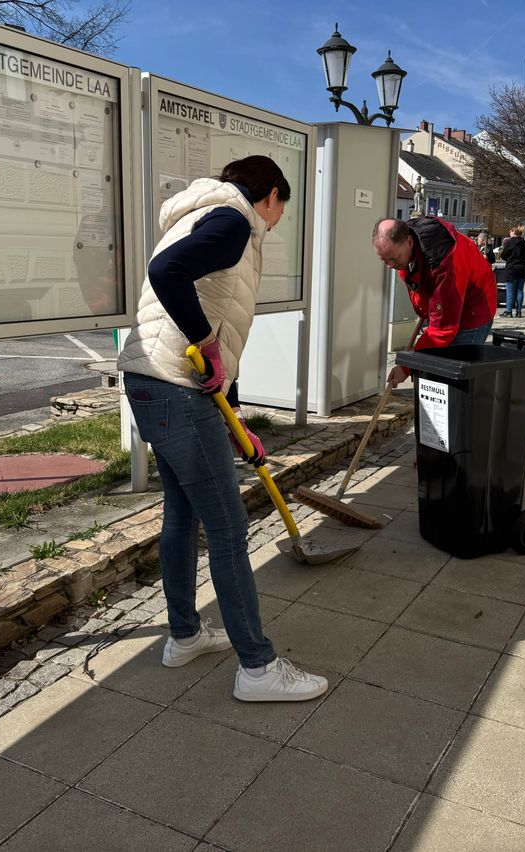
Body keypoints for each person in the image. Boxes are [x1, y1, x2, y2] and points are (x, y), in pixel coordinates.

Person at [117, 156, 327, 702]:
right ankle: (257, 668)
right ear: (272, 196)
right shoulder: (234, 221)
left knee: (182, 515)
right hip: (175, 385)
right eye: (282, 207)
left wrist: (233, 421)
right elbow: (173, 282)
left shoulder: (200, 215)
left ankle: (184, 636)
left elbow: (217, 332)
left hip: (153, 381)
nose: (278, 221)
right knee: (230, 529)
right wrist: (204, 344)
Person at [372, 216, 497, 387]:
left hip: (473, 311)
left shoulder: (445, 264)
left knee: (454, 379)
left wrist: (407, 366)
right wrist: (426, 312)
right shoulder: (409, 238)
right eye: (384, 260)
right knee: (434, 371)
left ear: (409, 242)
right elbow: (419, 282)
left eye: (393, 258)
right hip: (449, 304)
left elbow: (443, 329)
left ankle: (458, 411)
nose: (389, 265)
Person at [500, 224, 525, 318]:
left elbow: (504, 255)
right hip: (522, 268)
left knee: (510, 291)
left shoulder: (509, 242)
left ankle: (509, 312)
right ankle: (519, 312)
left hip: (511, 268)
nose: (509, 232)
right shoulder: (524, 243)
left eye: (510, 231)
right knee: (520, 290)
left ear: (514, 232)